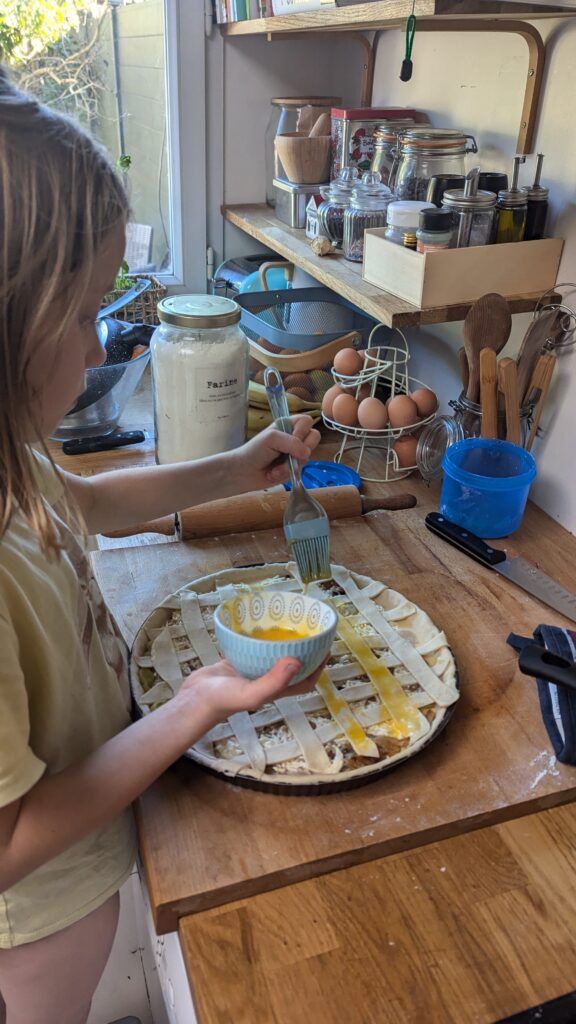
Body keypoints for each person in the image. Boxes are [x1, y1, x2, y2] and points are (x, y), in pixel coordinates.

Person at [0, 68, 322, 1024]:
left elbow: (88, 502)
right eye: (88, 310)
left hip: (84, 848)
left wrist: (232, 468)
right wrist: (195, 704)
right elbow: (10, 834)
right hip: (42, 906)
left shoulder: (11, 459)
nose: (100, 352)